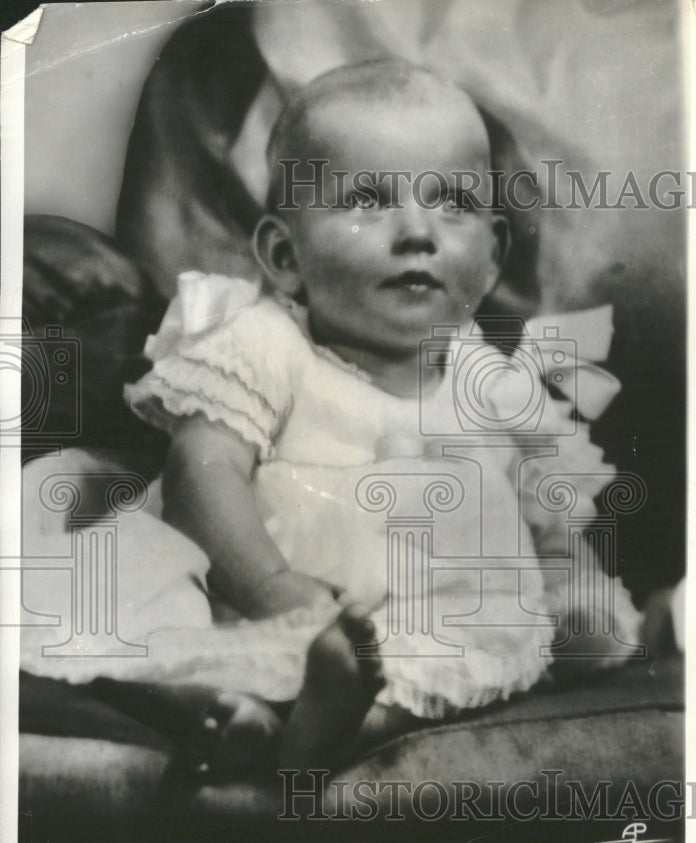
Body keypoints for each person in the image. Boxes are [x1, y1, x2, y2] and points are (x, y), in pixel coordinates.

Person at [123, 60, 641, 773]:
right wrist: (278, 592)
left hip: (411, 627)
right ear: (284, 253)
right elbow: (200, 470)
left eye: (453, 204)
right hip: (252, 605)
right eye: (368, 200)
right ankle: (208, 704)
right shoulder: (266, 345)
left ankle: (330, 730)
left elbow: (544, 516)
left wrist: (578, 596)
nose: (417, 233)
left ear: (492, 257)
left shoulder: (490, 388)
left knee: (493, 628)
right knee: (138, 596)